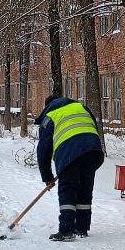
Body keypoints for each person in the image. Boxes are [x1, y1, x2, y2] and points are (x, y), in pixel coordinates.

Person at [35, 93, 104, 241]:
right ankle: (81, 228)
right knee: (85, 189)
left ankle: (66, 230)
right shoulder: (81, 107)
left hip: (69, 152)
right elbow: (92, 128)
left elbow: (43, 150)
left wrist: (47, 177)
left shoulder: (50, 115)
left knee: (67, 189)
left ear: (47, 105)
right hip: (93, 150)